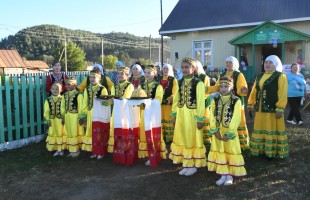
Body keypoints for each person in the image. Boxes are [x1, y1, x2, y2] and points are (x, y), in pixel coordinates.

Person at [170, 57, 206, 176]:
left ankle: (194, 164)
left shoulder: (198, 83)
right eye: (183, 67)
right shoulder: (179, 81)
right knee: (183, 137)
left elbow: (201, 102)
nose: (184, 69)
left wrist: (200, 118)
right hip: (181, 113)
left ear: (193, 68)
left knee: (192, 137)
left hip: (193, 114)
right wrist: (174, 114)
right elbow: (176, 99)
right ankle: (187, 162)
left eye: (187, 67)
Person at [208, 76, 246, 186]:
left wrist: (230, 133)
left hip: (230, 132)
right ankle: (223, 174)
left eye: (226, 86)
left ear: (231, 87)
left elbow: (236, 117)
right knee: (221, 151)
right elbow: (212, 115)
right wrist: (214, 129)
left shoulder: (236, 100)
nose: (223, 89)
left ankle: (229, 175)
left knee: (230, 150)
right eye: (221, 86)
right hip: (218, 131)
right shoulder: (215, 99)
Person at [248, 55, 288, 159]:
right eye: (266, 62)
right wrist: (251, 103)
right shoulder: (260, 75)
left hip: (272, 110)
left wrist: (280, 108)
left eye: (270, 62)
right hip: (260, 109)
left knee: (270, 128)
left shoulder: (280, 76)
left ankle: (271, 152)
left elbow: (282, 93)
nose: (267, 64)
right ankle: (260, 149)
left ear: (276, 64)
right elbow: (254, 91)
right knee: (260, 127)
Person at [207, 56, 249, 150]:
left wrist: (243, 89)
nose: (228, 64)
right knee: (225, 120)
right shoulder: (222, 75)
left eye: (231, 62)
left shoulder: (238, 75)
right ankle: (224, 142)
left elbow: (241, 87)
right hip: (223, 102)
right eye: (227, 62)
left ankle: (242, 146)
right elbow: (216, 87)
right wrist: (206, 89)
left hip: (236, 102)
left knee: (238, 121)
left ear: (235, 64)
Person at [139, 64, 167, 167]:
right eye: (145, 72)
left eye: (149, 72)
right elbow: (137, 96)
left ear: (154, 73)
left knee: (152, 133)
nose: (146, 74)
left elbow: (158, 99)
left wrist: (148, 102)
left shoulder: (157, 86)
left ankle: (154, 154)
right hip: (143, 112)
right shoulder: (141, 85)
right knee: (143, 133)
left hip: (152, 114)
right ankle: (147, 154)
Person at [107, 67, 135, 165]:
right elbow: (113, 96)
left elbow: (126, 98)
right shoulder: (115, 85)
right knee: (117, 129)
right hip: (116, 110)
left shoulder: (129, 85)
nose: (119, 76)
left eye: (122, 74)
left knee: (124, 129)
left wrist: (115, 100)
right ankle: (118, 151)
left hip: (125, 110)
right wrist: (109, 101)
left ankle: (126, 150)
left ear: (127, 76)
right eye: (118, 74)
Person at [81, 70, 110, 159]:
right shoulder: (87, 89)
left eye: (94, 77)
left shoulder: (102, 89)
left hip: (99, 114)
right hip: (90, 113)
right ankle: (94, 150)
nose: (92, 79)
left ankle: (101, 152)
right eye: (91, 77)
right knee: (91, 131)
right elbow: (85, 102)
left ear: (99, 78)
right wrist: (84, 112)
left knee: (99, 131)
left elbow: (106, 102)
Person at [61, 77, 84, 157]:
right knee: (69, 131)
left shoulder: (78, 95)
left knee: (75, 131)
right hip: (67, 116)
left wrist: (81, 117)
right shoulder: (64, 95)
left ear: (74, 85)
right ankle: (71, 149)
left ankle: (76, 150)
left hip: (75, 116)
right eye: (66, 84)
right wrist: (63, 116)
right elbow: (62, 106)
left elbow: (81, 107)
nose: (67, 86)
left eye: (69, 84)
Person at [159, 64, 178, 142]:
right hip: (159, 104)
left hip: (169, 105)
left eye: (167, 68)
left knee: (168, 119)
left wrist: (171, 97)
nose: (165, 70)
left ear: (170, 70)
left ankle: (170, 139)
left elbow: (176, 91)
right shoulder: (158, 79)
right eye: (164, 68)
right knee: (161, 119)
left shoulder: (173, 79)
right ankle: (162, 137)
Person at [44, 83, 65, 156]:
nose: (55, 90)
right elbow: (46, 111)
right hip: (52, 120)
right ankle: (56, 149)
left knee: (60, 133)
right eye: (53, 89)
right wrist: (47, 120)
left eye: (57, 89)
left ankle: (61, 149)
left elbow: (64, 109)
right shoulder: (48, 100)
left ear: (61, 90)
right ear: (50, 90)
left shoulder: (62, 99)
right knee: (53, 133)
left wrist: (63, 117)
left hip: (60, 120)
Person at [195, 60, 211, 144]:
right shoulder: (193, 77)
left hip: (204, 101)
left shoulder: (205, 77)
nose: (195, 69)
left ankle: (206, 139)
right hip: (195, 102)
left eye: (196, 68)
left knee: (204, 119)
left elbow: (206, 90)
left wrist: (199, 98)